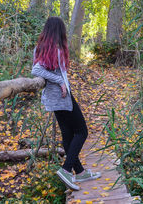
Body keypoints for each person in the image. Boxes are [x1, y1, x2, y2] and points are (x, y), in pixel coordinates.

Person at [31, 16, 100, 191]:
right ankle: (66, 169)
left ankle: (81, 172)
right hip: (61, 98)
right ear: (59, 31)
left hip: (56, 99)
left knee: (68, 136)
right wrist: (60, 82)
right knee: (82, 131)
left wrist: (61, 82)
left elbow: (41, 68)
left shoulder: (41, 48)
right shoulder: (55, 49)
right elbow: (36, 69)